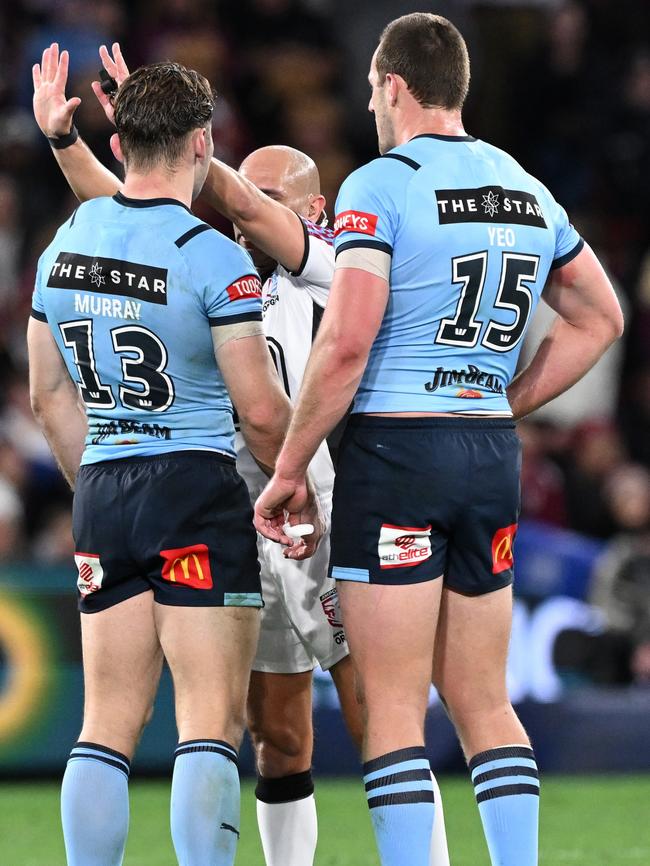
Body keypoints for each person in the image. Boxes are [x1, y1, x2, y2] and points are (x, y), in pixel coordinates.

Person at [32, 41, 452, 866]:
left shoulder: (332, 268)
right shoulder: (205, 259)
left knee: (378, 716)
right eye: (232, 183)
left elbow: (127, 219)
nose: (245, 206)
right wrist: (114, 140)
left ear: (314, 208)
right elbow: (132, 212)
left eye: (270, 195)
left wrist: (162, 142)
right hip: (223, 514)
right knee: (261, 730)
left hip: (320, 517)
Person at [254, 12, 624, 866]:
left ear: (392, 84)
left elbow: (345, 344)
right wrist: (506, 400)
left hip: (397, 455)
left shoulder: (381, 185)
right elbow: (599, 316)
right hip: (488, 452)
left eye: (372, 89)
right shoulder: (524, 185)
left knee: (391, 710)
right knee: (486, 702)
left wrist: (289, 466)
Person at [28, 51, 322, 866]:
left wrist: (97, 477)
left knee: (105, 724)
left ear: (117, 145)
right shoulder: (213, 256)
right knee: (208, 722)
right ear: (204, 143)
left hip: (103, 488)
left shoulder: (66, 243)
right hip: (194, 486)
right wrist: (294, 488)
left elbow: (47, 394)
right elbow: (262, 413)